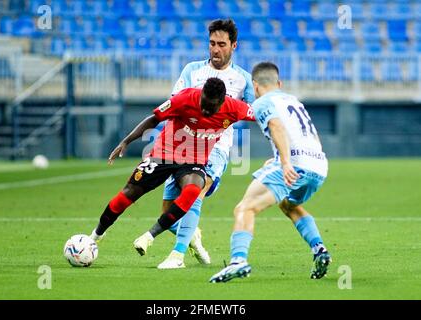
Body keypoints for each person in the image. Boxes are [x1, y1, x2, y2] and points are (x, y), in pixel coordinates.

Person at [89, 78, 255, 259]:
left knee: (193, 189)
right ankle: (96, 235)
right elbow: (153, 119)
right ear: (201, 95)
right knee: (128, 194)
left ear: (222, 102)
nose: (205, 110)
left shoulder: (235, 108)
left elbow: (263, 115)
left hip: (193, 161)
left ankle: (149, 236)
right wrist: (126, 141)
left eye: (211, 107)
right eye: (203, 104)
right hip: (163, 154)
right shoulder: (185, 98)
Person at [137, 18, 255, 269]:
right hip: (182, 147)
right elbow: (174, 102)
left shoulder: (243, 79)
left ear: (234, 45)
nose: (215, 49)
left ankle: (177, 255)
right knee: (168, 210)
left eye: (221, 44)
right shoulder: (192, 71)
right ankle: (192, 237)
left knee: (195, 192)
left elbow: (258, 112)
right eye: (212, 43)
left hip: (217, 146)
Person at [209, 62, 332, 283]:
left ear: (255, 86)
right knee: (289, 204)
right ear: (279, 83)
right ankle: (320, 249)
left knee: (245, 207)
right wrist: (281, 159)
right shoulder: (293, 101)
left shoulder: (263, 102)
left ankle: (238, 261)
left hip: (294, 164)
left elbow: (276, 126)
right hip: (318, 165)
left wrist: (285, 162)